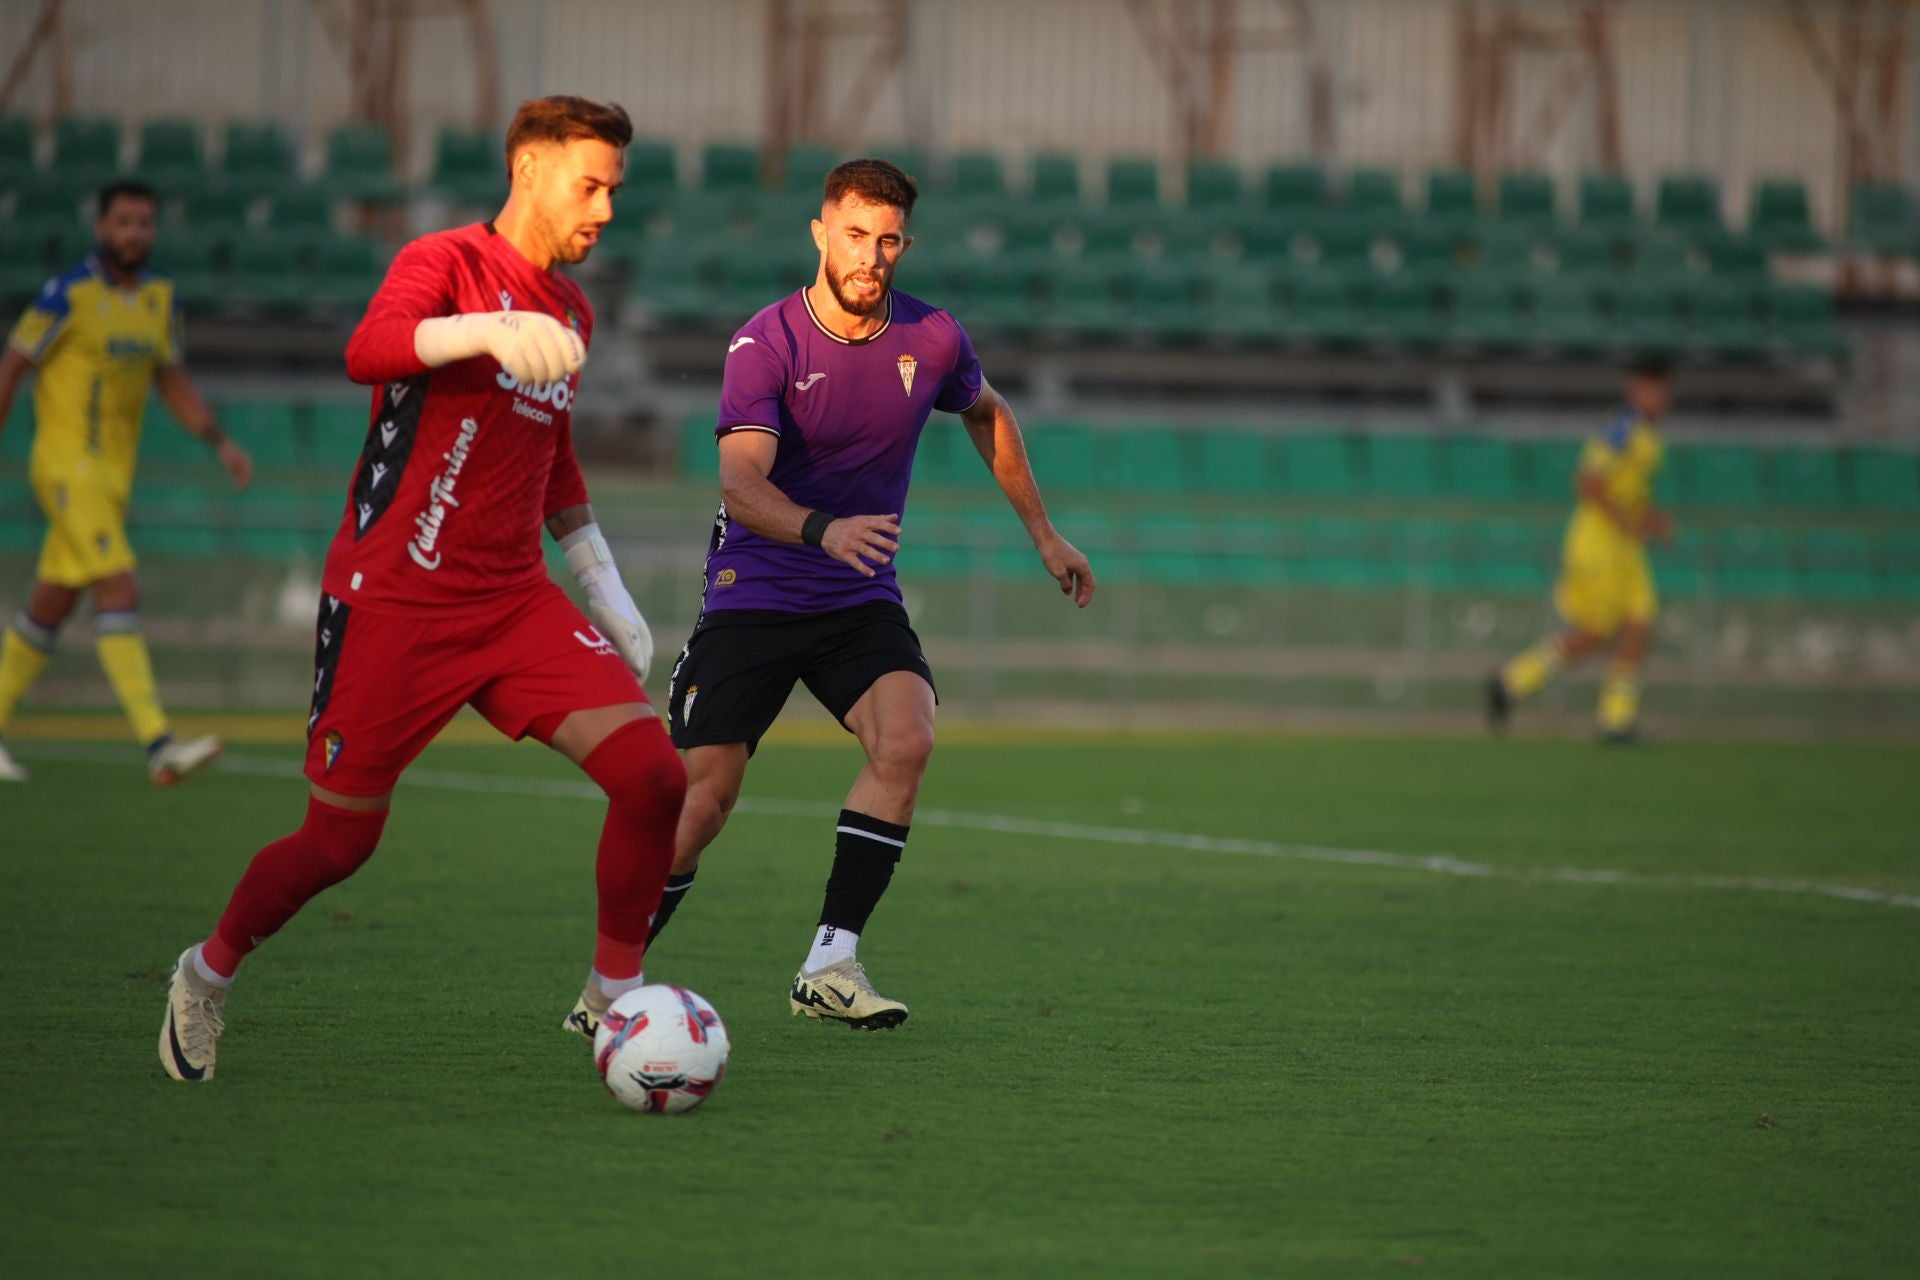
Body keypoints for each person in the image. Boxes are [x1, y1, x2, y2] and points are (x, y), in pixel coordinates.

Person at [158, 96, 685, 1083]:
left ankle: (612, 997)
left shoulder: (573, 309)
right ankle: (204, 971)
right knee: (337, 841)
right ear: (527, 169)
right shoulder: (441, 262)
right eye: (592, 184)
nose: (607, 208)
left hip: (514, 600)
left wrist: (598, 576)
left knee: (655, 776)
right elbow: (370, 349)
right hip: (394, 597)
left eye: (616, 188)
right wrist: (482, 331)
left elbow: (553, 450)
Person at [648, 158, 1096, 1030]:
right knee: (703, 801)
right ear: (821, 234)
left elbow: (986, 411)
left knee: (908, 738)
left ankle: (831, 963)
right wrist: (824, 528)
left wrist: (1043, 531)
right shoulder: (764, 342)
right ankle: (611, 977)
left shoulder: (932, 338)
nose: (872, 256)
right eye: (855, 236)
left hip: (856, 596)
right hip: (758, 591)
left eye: (888, 240)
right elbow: (740, 485)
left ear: (905, 244)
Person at [0, 179, 252, 784]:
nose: (134, 233)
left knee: (50, 607)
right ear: (101, 228)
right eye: (123, 222)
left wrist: (219, 442)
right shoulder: (67, 295)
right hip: (65, 470)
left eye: (144, 223)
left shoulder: (161, 298)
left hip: (112, 480)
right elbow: (12, 367)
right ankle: (157, 743)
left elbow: (172, 380)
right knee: (119, 584)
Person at [1488, 358, 1676, 743]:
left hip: (1626, 547)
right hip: (1599, 543)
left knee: (1641, 622)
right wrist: (1630, 521)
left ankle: (1616, 721)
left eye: (1661, 388)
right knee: (1596, 633)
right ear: (1633, 388)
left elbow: (1628, 491)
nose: (1656, 396)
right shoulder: (1621, 428)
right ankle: (1511, 681)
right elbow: (1588, 482)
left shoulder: (1648, 434)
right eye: (1649, 386)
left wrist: (1650, 519)